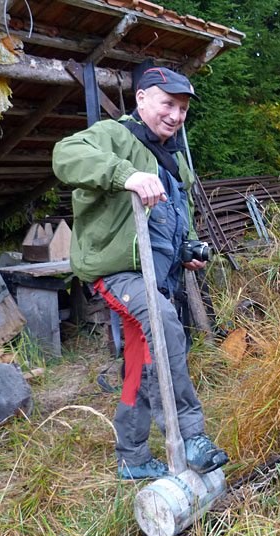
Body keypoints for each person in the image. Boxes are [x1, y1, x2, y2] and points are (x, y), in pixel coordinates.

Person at [52, 66, 229, 480]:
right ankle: (189, 437)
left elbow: (176, 216)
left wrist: (187, 248)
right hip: (118, 272)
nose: (176, 115)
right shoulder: (114, 136)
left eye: (183, 109)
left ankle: (131, 459)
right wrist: (125, 174)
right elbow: (65, 155)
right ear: (142, 99)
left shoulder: (172, 158)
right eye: (168, 104)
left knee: (142, 364)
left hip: (157, 274)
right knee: (165, 323)